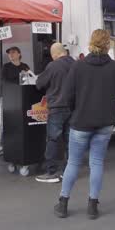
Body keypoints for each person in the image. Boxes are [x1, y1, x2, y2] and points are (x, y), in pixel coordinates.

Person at [53, 29, 115, 220]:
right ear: (107, 44)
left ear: (90, 42)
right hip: (105, 123)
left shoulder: (78, 67)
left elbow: (67, 96)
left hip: (81, 123)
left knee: (73, 163)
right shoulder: (114, 67)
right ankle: (92, 206)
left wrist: (75, 111)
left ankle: (63, 203)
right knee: (96, 163)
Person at [35, 43, 75, 183]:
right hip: (73, 108)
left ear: (55, 54)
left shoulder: (53, 66)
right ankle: (68, 171)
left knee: (53, 139)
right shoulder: (76, 64)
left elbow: (39, 83)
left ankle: (51, 171)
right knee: (70, 140)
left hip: (57, 107)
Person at [0, 46, 30, 157]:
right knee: (5, 122)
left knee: (20, 121)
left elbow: (30, 79)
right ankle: (3, 145)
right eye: (9, 53)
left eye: (13, 52)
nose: (11, 55)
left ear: (19, 54)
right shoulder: (6, 67)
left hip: (21, 98)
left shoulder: (25, 66)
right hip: (7, 98)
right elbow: (4, 81)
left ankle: (19, 143)